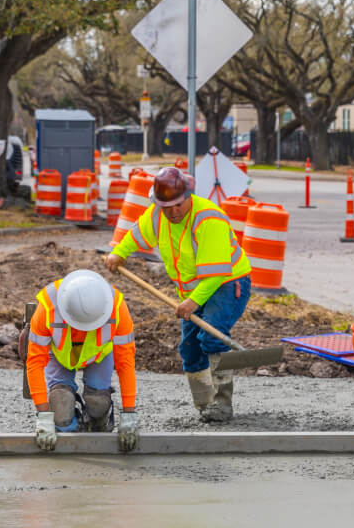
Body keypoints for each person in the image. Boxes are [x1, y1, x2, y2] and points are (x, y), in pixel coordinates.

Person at [105, 167, 251, 422]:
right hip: (193, 290)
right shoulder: (157, 214)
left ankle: (222, 403)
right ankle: (204, 403)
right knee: (189, 348)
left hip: (227, 283)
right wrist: (119, 253)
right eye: (166, 206)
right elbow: (136, 234)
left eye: (178, 205)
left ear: (188, 196)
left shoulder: (208, 219)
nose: (173, 211)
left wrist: (193, 302)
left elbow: (216, 274)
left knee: (212, 337)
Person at [24, 269, 138, 452]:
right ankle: (68, 436)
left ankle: (97, 427)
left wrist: (129, 415)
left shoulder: (117, 308)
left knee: (98, 403)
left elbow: (126, 363)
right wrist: (44, 417)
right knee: (61, 405)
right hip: (60, 355)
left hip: (99, 354)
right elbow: (35, 362)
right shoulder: (48, 308)